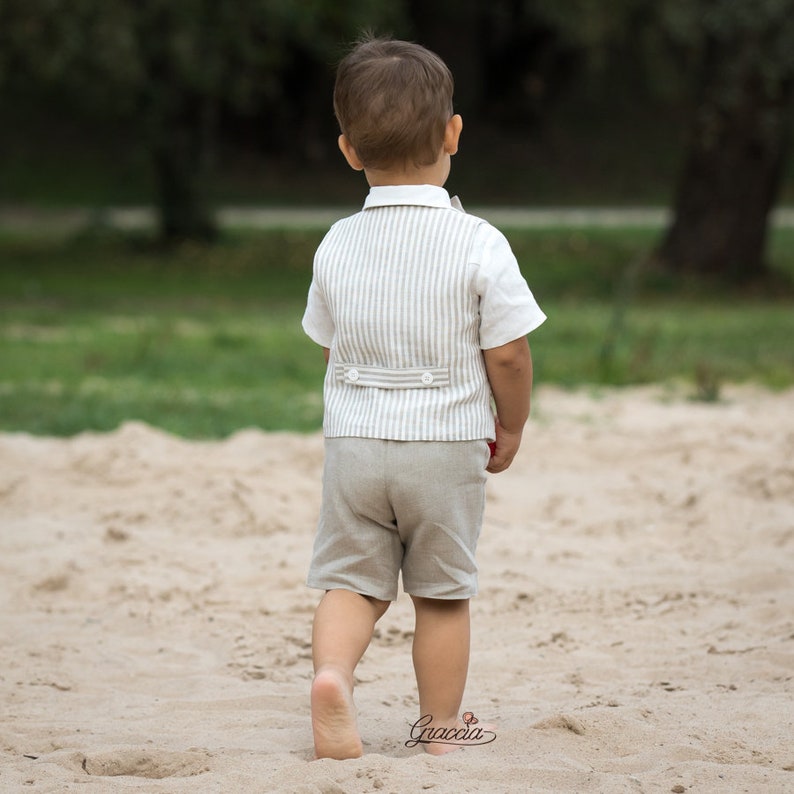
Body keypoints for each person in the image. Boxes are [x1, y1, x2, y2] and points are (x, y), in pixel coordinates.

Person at [301, 35, 546, 760]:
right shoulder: (478, 242)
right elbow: (507, 352)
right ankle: (439, 729)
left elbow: (329, 342)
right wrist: (514, 424)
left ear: (348, 149)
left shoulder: (336, 243)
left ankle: (332, 677)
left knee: (350, 583)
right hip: (443, 444)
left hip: (355, 444)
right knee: (441, 594)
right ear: (453, 133)